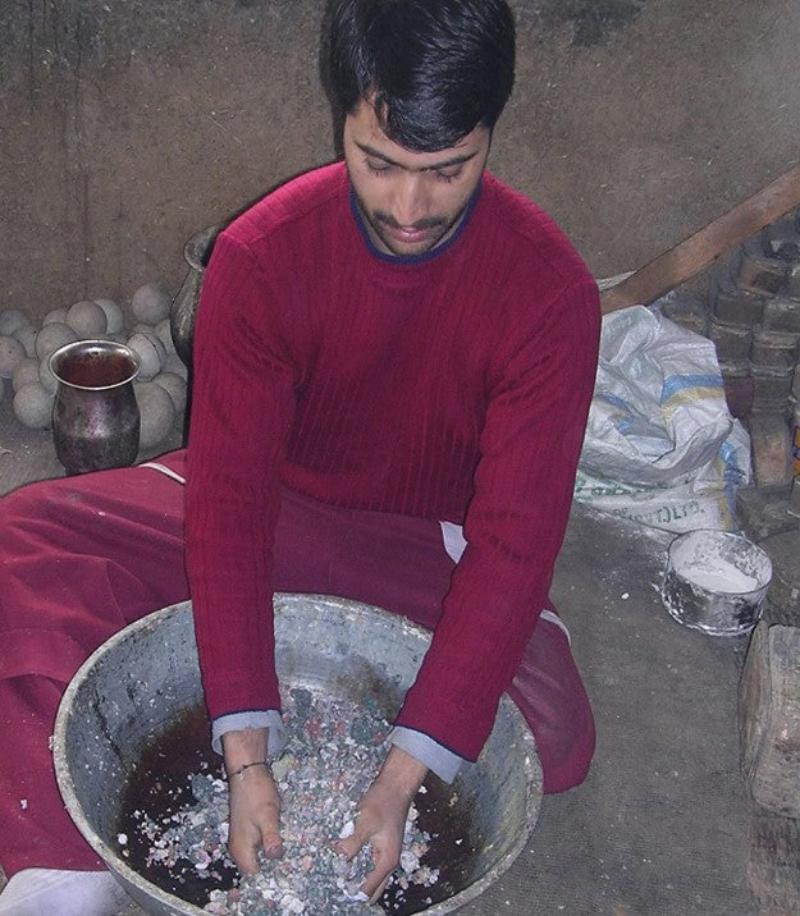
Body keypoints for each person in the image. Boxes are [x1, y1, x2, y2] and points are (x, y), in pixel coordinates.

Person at [0, 0, 600, 909]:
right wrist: (246, 754)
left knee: (553, 739)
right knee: (26, 541)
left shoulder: (548, 293)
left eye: (448, 171)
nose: (409, 207)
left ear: (491, 133)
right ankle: (59, 867)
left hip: (425, 542)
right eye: (379, 161)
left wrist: (401, 779)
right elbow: (232, 502)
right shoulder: (264, 255)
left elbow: (514, 544)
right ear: (342, 117)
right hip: (278, 505)